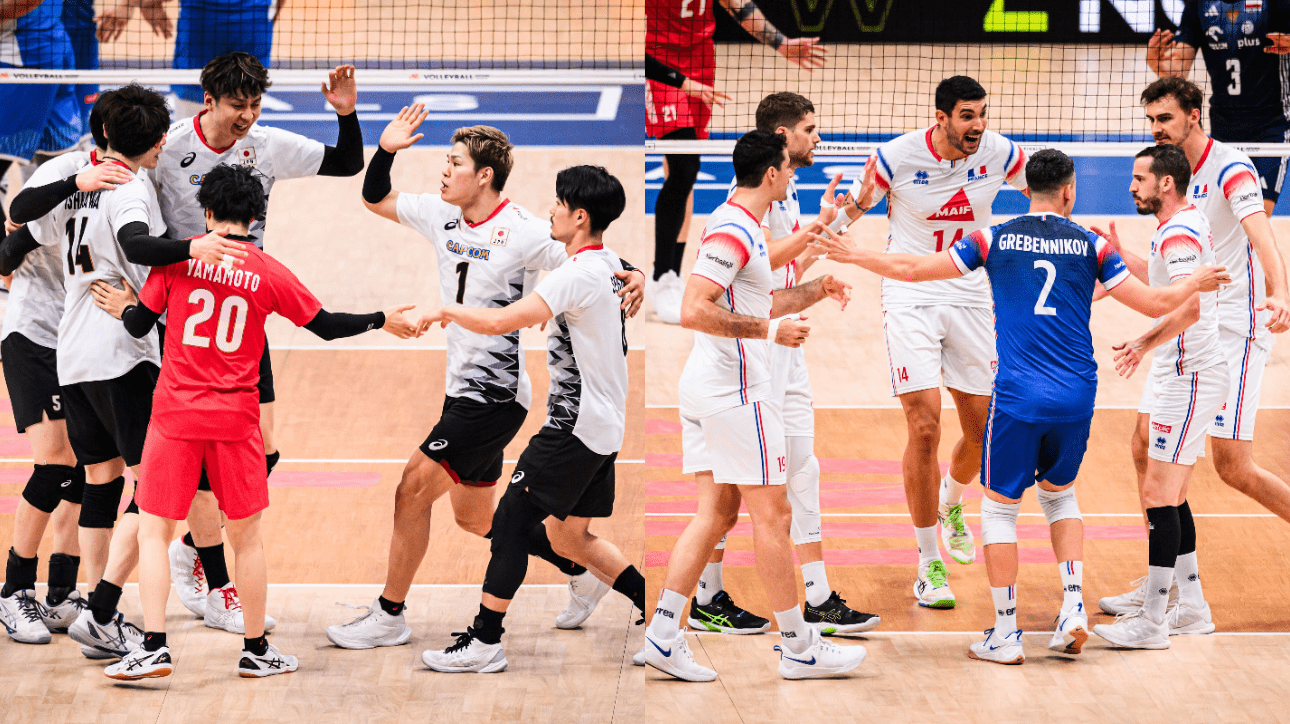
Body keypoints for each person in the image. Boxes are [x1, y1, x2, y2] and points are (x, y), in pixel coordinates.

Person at [812, 148, 1230, 664]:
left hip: (1017, 395)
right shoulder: (1092, 245)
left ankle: (1006, 634)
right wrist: (1195, 283)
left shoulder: (994, 238)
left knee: (999, 510)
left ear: (1022, 190)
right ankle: (1073, 606)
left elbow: (913, 268)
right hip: (1077, 394)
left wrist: (856, 255)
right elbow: (1156, 303)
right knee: (1062, 498)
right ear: (1070, 192)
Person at [325, 108, 645, 650]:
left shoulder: (525, 231)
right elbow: (374, 196)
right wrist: (386, 149)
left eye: (454, 163)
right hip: (462, 389)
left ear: (485, 176)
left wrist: (634, 272)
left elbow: (586, 254)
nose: (444, 172)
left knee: (410, 491)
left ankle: (389, 614)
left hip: (493, 397)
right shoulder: (439, 215)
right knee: (478, 521)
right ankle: (580, 573)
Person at [95, 163, 419, 680]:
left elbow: (138, 324)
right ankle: (255, 650)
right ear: (256, 216)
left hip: (174, 416)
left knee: (154, 532)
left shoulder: (180, 259)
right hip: (236, 421)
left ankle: (153, 646)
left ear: (207, 213)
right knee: (246, 538)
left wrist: (124, 306)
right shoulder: (267, 271)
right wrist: (382, 318)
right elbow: (328, 327)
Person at [146, 51, 364, 622]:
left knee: (264, 449)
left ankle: (194, 547)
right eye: (237, 105)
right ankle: (214, 583)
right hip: (185, 321)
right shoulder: (167, 151)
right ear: (209, 101)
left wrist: (345, 113)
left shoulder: (265, 144)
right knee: (197, 462)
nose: (247, 116)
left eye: (255, 105)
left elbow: (347, 163)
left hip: (243, 312)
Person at [643, 129, 864, 683]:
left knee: (716, 514)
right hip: (734, 393)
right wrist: (769, 331)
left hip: (710, 388)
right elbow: (694, 309)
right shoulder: (736, 231)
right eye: (788, 168)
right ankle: (798, 646)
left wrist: (815, 289)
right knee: (775, 514)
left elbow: (760, 297)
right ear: (770, 173)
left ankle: (664, 635)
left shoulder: (744, 226)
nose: (793, 176)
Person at [418, 165, 646, 673]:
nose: (551, 209)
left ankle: (485, 642)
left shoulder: (575, 273)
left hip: (575, 427)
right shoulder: (608, 265)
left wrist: (447, 312)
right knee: (569, 539)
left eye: (560, 203)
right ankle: (658, 614)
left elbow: (502, 320)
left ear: (580, 216)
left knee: (509, 524)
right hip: (605, 426)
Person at [1098, 78, 1290, 631]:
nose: (1157, 129)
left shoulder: (1231, 168)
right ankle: (1172, 586)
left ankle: (1177, 597)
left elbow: (1261, 236)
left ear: (1194, 114)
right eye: (1151, 121)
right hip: (1188, 327)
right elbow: (1171, 275)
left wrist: (1279, 291)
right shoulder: (1169, 179)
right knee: (1143, 446)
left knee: (1234, 467)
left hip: (1234, 330)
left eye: (1165, 118)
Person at [830, 75, 1029, 609]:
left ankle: (952, 502)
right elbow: (854, 208)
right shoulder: (895, 158)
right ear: (941, 118)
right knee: (923, 426)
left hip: (970, 293)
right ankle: (927, 562)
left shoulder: (1002, 152)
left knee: (982, 430)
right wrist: (818, 239)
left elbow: (1046, 193)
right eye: (967, 115)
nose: (978, 125)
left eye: (983, 113)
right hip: (910, 292)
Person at [691, 92, 877, 637]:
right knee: (735, 490)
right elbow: (767, 265)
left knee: (803, 469)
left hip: (784, 345)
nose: (817, 137)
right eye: (809, 129)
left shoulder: (785, 192)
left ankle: (817, 596)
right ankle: (708, 595)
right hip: (756, 348)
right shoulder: (752, 200)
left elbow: (792, 262)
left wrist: (850, 213)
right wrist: (835, 222)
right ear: (781, 137)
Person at [0, 90, 130, 651]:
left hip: (80, 342)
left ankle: (59, 595)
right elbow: (10, 240)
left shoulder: (138, 183)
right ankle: (13, 591)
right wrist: (76, 186)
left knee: (87, 465)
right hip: (33, 330)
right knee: (53, 464)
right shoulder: (66, 171)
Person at [1092, 144, 1230, 649]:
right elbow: (1167, 286)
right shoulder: (1178, 227)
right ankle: (1186, 602)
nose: (1131, 186)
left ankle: (1154, 620)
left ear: (1165, 184)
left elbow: (1190, 306)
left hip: (1189, 371)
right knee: (1159, 477)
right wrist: (1122, 257)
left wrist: (1142, 343)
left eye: (1139, 178)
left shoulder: (1178, 233)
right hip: (1177, 369)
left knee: (1159, 494)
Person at [645, 0, 828, 324]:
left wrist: (781, 43)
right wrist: (681, 82)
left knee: (682, 172)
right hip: (659, 63)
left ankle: (672, 273)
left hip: (700, 57)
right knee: (685, 168)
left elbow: (738, 5)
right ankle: (662, 277)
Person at [1146, 0, 1290, 216]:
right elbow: (1178, 72)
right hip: (1224, 124)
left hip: (1271, 124)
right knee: (1219, 211)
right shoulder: (1198, 6)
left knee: (1257, 210)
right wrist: (1158, 65)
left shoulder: (1275, 3)